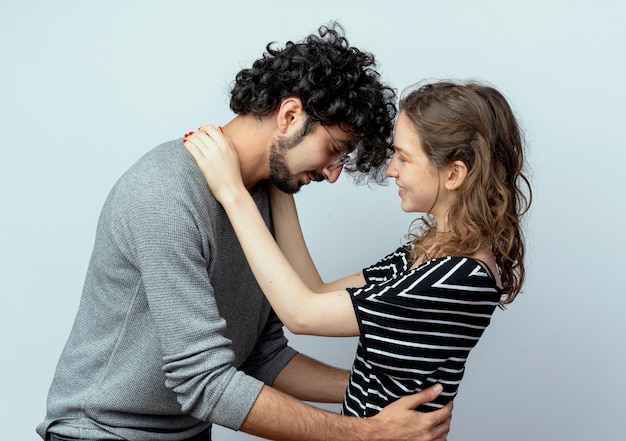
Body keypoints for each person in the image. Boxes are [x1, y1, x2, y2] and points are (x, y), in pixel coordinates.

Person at [37, 23, 453, 441]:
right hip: (100, 433)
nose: (332, 175)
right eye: (334, 150)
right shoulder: (164, 194)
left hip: (185, 434)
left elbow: (261, 355)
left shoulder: (260, 199)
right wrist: (367, 434)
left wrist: (385, 395)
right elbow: (204, 384)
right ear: (290, 116)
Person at [183, 80, 532, 418]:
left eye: (404, 157)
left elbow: (301, 313)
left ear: (454, 174)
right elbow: (313, 289)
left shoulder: (457, 278)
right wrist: (280, 170)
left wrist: (232, 191)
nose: (392, 170)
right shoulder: (424, 256)